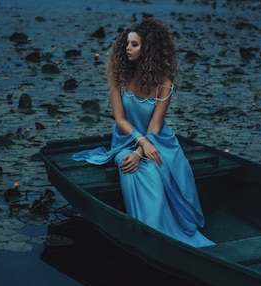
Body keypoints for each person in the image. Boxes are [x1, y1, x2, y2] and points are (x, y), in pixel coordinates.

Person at [72, 18, 214, 247]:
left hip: (159, 141)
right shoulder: (118, 76)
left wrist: (142, 150)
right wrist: (138, 144)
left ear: (148, 49)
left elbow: (155, 126)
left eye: (134, 44)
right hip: (125, 140)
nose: (127, 48)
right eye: (127, 43)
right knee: (131, 167)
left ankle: (167, 232)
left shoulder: (164, 83)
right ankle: (150, 231)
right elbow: (119, 118)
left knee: (155, 167)